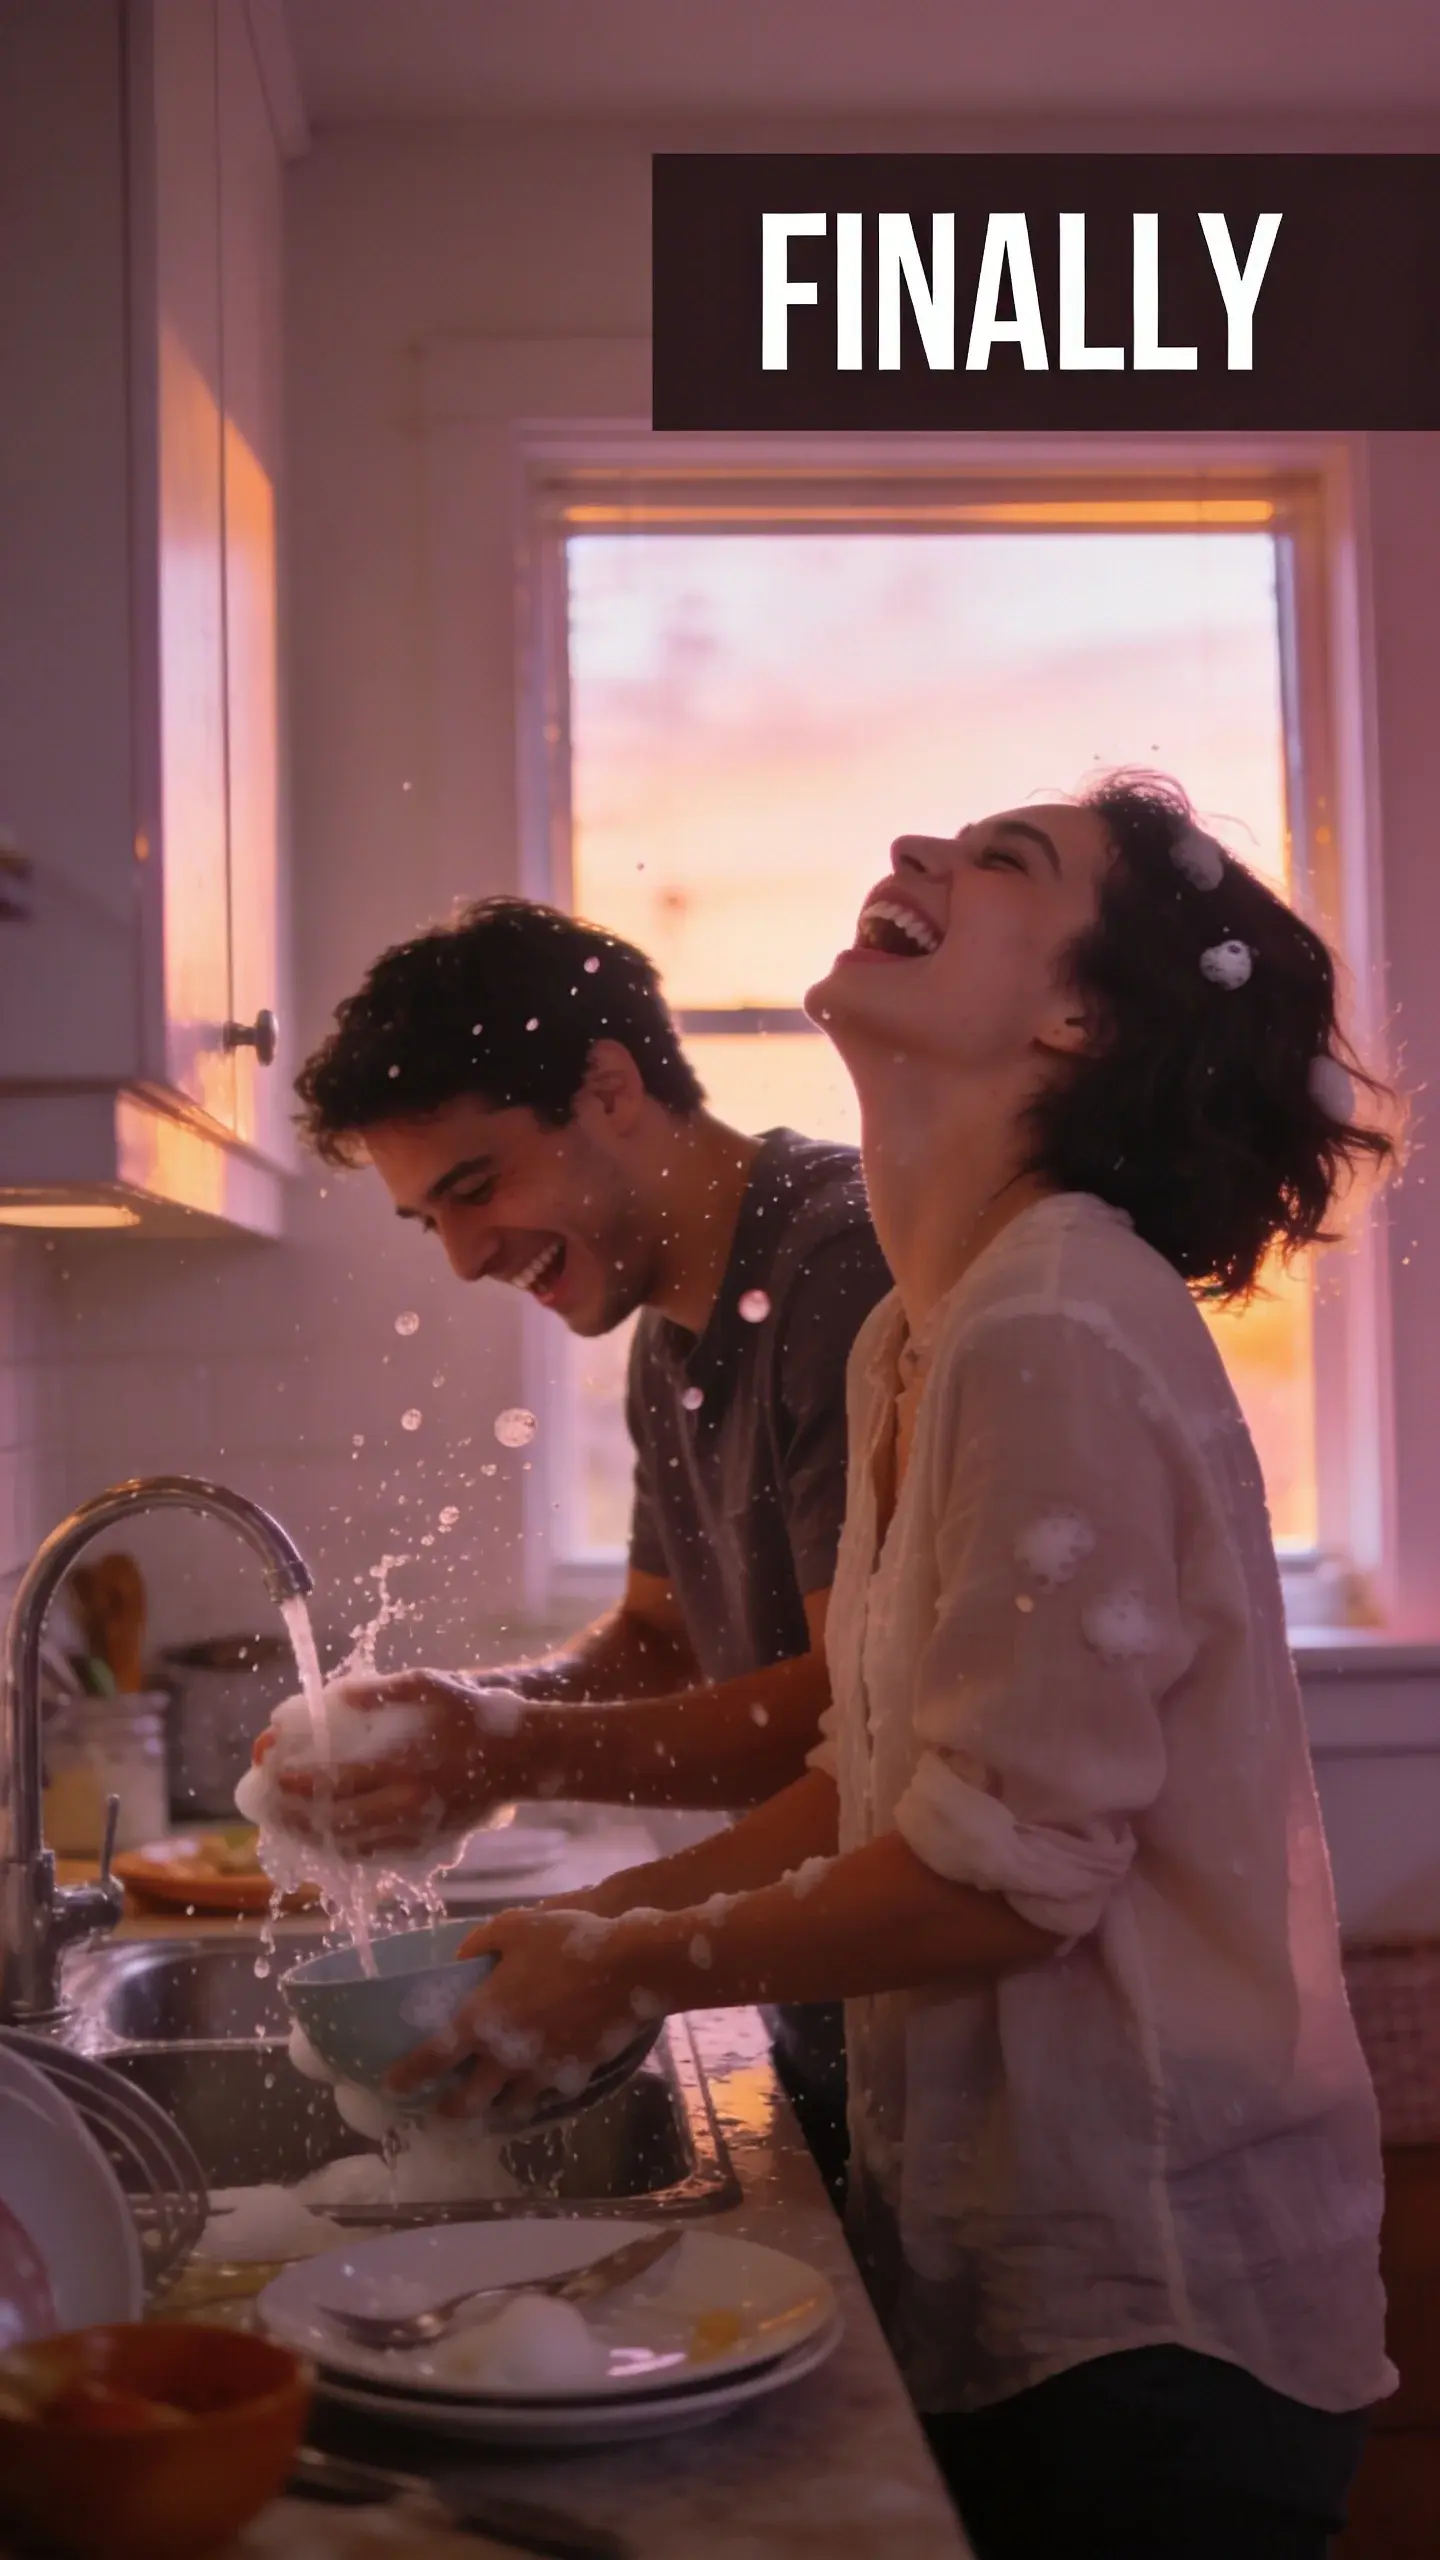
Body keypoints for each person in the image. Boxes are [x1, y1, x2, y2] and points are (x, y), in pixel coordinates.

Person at [316, 778, 1395, 2559]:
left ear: (1078, 1018)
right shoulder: (933, 1320)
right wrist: (590, 1942)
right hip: (1029, 2269)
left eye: (1003, 867)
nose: (918, 857)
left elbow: (1008, 1876)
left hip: (1153, 2308)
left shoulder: (1050, 1322)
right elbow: (882, 1787)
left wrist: (633, 1952)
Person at [287, 896, 892, 2193]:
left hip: (950, 2029)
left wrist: (512, 1746)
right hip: (834, 2004)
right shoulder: (672, 1326)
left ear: (609, 1088)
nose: (459, 1259)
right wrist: (457, 1717)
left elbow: (868, 1706)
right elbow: (661, 1644)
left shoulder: (842, 1265)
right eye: (425, 1219)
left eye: (474, 1187)